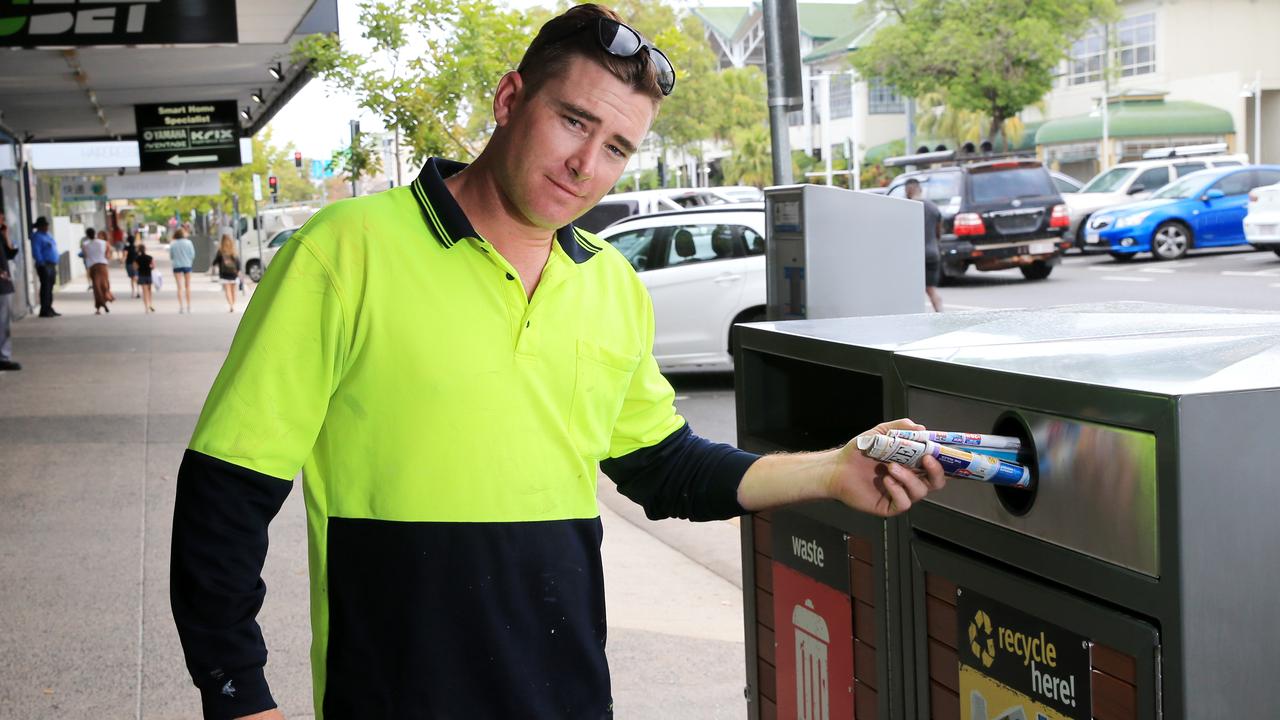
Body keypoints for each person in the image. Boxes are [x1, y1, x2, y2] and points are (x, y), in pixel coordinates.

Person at [169, 6, 946, 719]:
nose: (586, 165)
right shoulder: (345, 250)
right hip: (394, 694)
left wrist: (834, 471)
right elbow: (226, 492)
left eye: (616, 148)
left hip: (567, 695)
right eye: (573, 121)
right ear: (511, 100)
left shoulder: (610, 281)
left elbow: (664, 466)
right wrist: (238, 693)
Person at [905, 178, 943, 312]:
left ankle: (914, 319)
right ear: (920, 189)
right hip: (933, 253)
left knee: (910, 290)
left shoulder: (907, 208)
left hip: (915, 255)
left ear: (908, 191)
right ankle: (941, 315)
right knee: (931, 289)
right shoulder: (933, 207)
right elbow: (939, 233)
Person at [29, 217, 60, 317]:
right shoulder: (37, 237)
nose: (47, 227)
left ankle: (49, 307)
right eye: (45, 225)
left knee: (50, 287)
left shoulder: (48, 235)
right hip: (44, 265)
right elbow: (36, 251)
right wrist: (41, 262)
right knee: (45, 287)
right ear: (40, 227)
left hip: (51, 264)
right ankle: (44, 310)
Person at [0, 220, 19, 370]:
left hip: (4, 285)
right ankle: (3, 357)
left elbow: (11, 253)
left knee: (4, 322)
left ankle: (4, 356)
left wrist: (5, 235)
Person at [86, 229, 114, 314]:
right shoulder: (104, 243)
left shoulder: (85, 244)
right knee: (104, 285)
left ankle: (99, 305)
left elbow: (85, 255)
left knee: (96, 287)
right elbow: (108, 255)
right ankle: (104, 301)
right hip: (102, 266)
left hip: (93, 267)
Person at [210, 234, 240, 312]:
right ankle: (233, 304)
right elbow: (237, 262)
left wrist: (213, 266)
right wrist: (238, 271)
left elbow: (215, 261)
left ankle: (231, 305)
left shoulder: (221, 251)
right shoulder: (233, 250)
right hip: (234, 273)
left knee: (228, 290)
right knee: (234, 291)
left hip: (224, 274)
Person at [169, 228, 196, 314]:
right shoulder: (189, 243)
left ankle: (181, 307)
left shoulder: (173, 244)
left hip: (177, 266)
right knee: (187, 286)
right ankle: (189, 306)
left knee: (179, 287)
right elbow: (192, 255)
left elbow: (171, 256)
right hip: (187, 265)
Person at [135, 243, 155, 312]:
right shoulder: (150, 257)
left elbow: (135, 267)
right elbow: (153, 266)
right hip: (148, 275)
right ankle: (150, 304)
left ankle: (146, 307)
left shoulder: (137, 258)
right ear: (145, 249)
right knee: (149, 291)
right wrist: (150, 268)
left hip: (141, 276)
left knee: (144, 292)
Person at [124, 231, 140, 297]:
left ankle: (133, 292)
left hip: (129, 263)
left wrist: (122, 262)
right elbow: (139, 255)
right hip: (136, 264)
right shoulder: (136, 247)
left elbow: (125, 255)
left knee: (132, 278)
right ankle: (138, 291)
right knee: (136, 277)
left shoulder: (126, 247)